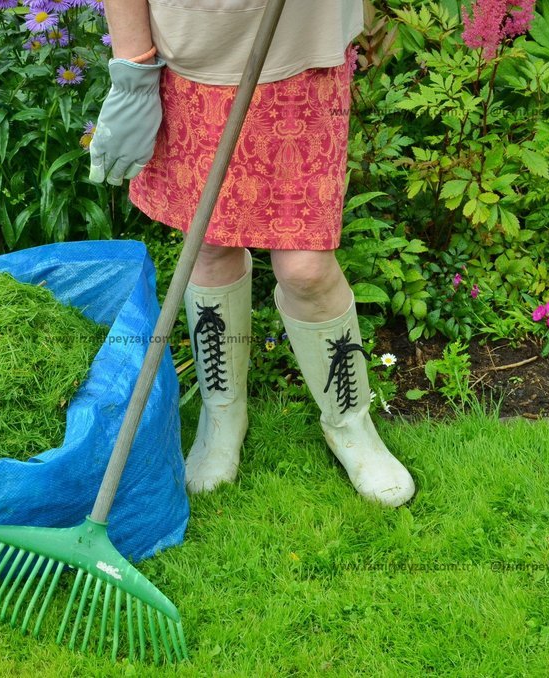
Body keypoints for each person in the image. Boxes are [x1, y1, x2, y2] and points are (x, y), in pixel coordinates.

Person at [88, 0, 415, 508]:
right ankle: (223, 415)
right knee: (211, 249)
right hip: (192, 58)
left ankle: (351, 423)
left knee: (305, 269)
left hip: (298, 56)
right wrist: (132, 72)